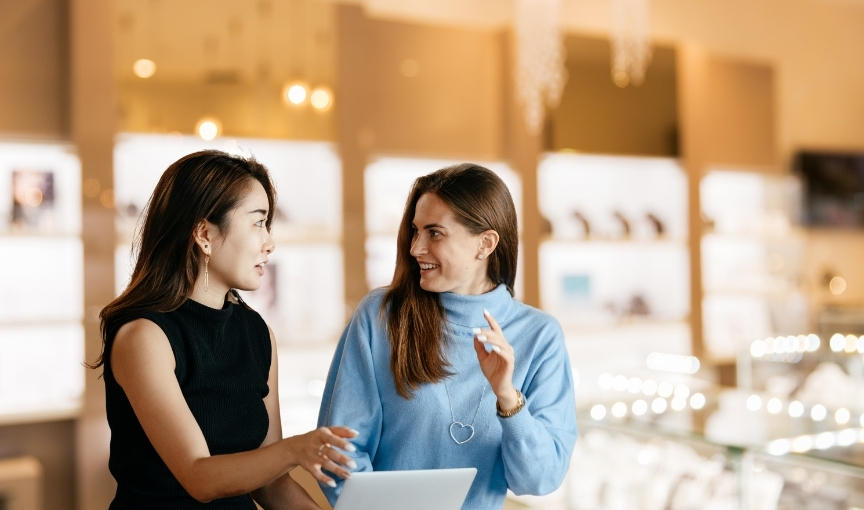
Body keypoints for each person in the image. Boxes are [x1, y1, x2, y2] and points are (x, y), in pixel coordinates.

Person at [90, 150, 356, 509]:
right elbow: (199, 477)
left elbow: (271, 484)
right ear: (204, 234)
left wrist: (290, 457)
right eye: (258, 222)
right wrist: (295, 449)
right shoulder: (145, 337)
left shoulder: (256, 333)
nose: (270, 242)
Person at [317, 163, 577, 509]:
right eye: (415, 231)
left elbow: (540, 478)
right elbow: (339, 453)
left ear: (485, 244)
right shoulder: (380, 315)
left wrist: (507, 397)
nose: (415, 248)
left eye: (434, 233)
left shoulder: (540, 336)